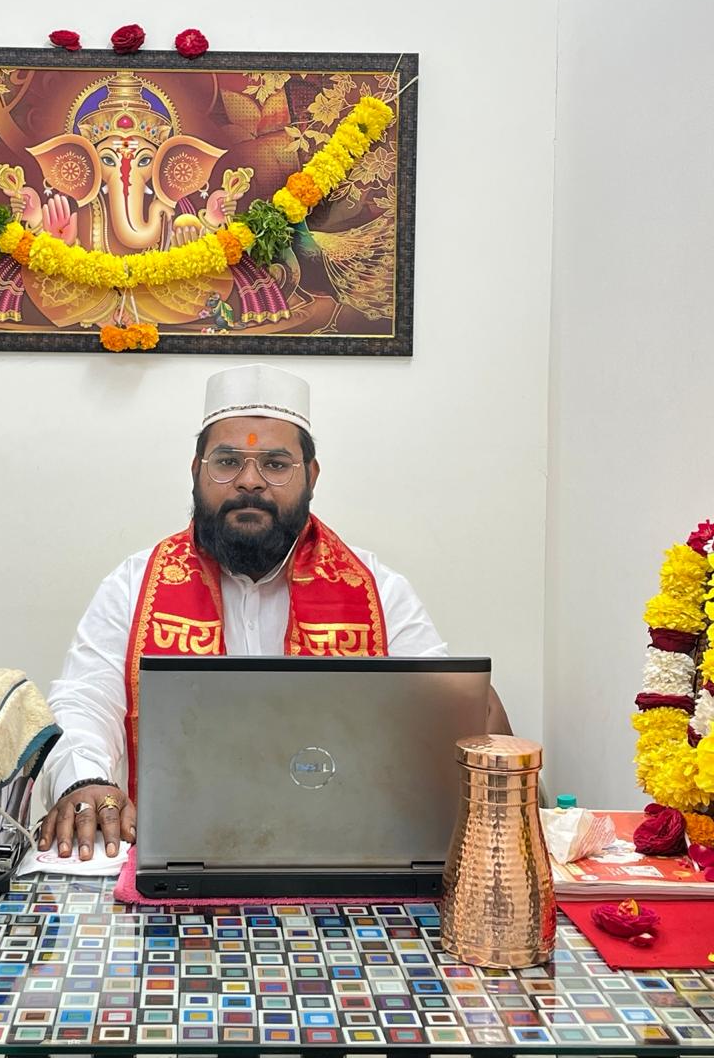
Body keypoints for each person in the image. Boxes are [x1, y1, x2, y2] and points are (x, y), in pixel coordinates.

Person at [39, 364, 510, 860]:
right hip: (176, 852)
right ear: (196, 470)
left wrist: (470, 718)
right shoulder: (136, 585)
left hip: (342, 853)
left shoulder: (376, 591)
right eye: (226, 462)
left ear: (311, 475)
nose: (249, 482)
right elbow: (85, 698)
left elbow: (439, 706)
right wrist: (86, 778)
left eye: (276, 464)